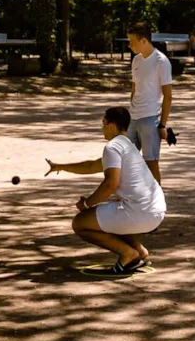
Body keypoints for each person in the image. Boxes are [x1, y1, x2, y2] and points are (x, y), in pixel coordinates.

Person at [46, 106, 167, 278]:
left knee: (80, 223)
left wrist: (86, 204)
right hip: (156, 211)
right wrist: (60, 166)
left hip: (140, 212)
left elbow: (110, 184)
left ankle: (127, 253)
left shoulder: (113, 147)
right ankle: (139, 251)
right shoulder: (127, 145)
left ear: (111, 125)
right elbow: (91, 166)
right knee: (110, 210)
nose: (101, 127)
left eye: (103, 123)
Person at [126, 22, 172, 184]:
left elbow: (168, 96)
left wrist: (162, 125)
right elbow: (134, 88)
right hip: (133, 118)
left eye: (132, 41)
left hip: (150, 118)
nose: (129, 45)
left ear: (144, 40)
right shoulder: (136, 60)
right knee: (125, 160)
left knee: (151, 162)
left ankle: (156, 203)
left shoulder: (161, 61)